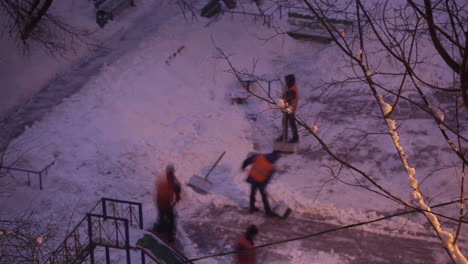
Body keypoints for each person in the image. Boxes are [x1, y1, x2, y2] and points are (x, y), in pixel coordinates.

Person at [241, 151, 280, 216]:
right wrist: (264, 185)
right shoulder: (272, 166)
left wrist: (243, 166)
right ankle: (268, 212)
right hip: (261, 181)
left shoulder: (259, 156)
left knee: (253, 193)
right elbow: (268, 178)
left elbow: (247, 160)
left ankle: (252, 208)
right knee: (264, 196)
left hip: (253, 178)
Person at [154, 164, 181, 243]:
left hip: (162, 201)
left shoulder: (164, 179)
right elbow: (177, 187)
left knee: (163, 216)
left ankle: (160, 230)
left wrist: (177, 195)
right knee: (170, 219)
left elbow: (177, 187)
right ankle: (169, 236)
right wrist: (177, 195)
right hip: (164, 202)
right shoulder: (171, 179)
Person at [277, 74, 299, 143]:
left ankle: (295, 138)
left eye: (287, 81)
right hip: (288, 109)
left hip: (290, 109)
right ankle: (285, 136)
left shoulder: (292, 90)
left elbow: (287, 98)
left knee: (291, 123)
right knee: (285, 122)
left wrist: (283, 103)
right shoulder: (292, 87)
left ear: (290, 81)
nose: (286, 82)